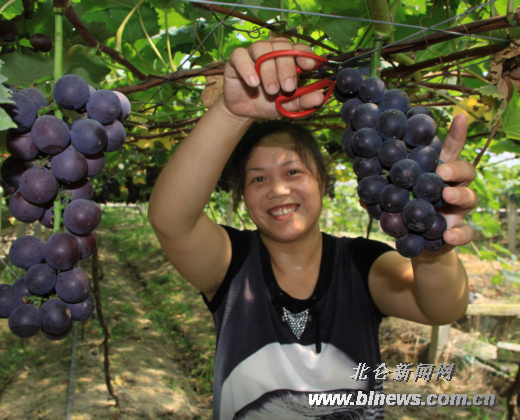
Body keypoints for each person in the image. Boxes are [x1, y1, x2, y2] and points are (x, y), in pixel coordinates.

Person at [148, 38, 478, 419]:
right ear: (242, 196)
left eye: (293, 172)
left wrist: (430, 241)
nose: (278, 190)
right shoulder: (231, 264)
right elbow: (170, 220)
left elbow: (442, 307)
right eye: (257, 180)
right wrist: (232, 113)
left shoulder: (360, 264)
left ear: (321, 182)